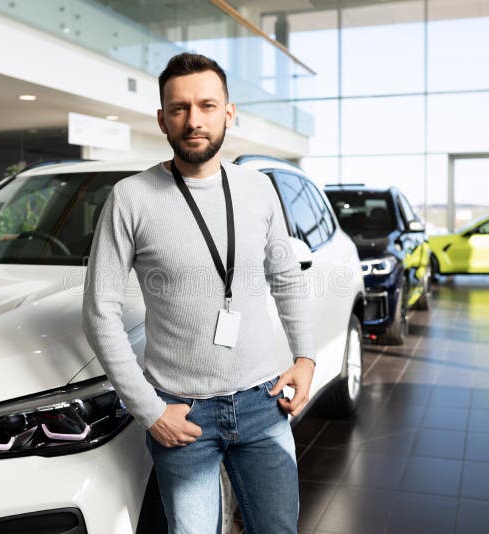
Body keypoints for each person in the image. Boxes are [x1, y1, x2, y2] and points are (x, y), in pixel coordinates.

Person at [81, 52, 315, 534]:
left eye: (207, 105)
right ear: (162, 118)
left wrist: (306, 356)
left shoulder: (258, 189)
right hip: (181, 414)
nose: (194, 121)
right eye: (180, 108)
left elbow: (286, 276)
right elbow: (99, 313)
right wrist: (149, 411)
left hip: (262, 403)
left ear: (229, 112)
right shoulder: (131, 198)